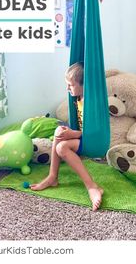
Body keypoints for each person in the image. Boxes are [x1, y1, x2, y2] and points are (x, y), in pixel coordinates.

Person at [30, 62, 103, 211]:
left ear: (84, 84)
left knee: (62, 147)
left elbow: (94, 131)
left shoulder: (91, 102)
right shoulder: (78, 98)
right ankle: (52, 177)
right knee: (58, 131)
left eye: (71, 85)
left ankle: (92, 186)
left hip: (94, 141)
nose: (67, 88)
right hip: (82, 137)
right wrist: (68, 132)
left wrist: (73, 134)